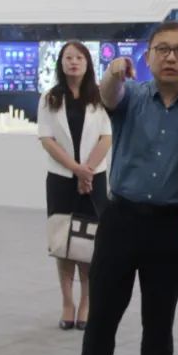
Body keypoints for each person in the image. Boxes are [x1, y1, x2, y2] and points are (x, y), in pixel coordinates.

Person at [69, 22, 178, 355]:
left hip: (170, 226)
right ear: (148, 57)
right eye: (162, 49)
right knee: (102, 318)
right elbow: (108, 95)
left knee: (159, 322)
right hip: (121, 220)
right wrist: (112, 70)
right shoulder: (131, 97)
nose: (170, 57)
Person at [38, 42, 112, 330]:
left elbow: (106, 137)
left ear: (87, 62)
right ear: (60, 63)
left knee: (90, 241)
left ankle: (86, 303)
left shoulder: (100, 96)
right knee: (63, 241)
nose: (73, 62)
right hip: (61, 178)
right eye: (68, 57)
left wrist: (87, 171)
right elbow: (47, 139)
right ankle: (67, 302)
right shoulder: (50, 97)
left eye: (79, 57)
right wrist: (76, 169)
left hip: (94, 178)